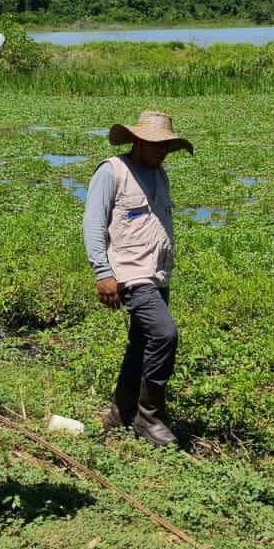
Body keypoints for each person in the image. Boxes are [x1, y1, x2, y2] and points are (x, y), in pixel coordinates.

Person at [83, 111, 194, 447]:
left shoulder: (160, 175)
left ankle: (121, 413)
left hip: (158, 272)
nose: (162, 150)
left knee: (142, 344)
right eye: (155, 144)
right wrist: (104, 273)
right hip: (131, 275)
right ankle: (150, 417)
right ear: (137, 140)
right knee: (165, 334)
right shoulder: (111, 171)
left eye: (167, 146)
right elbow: (93, 224)